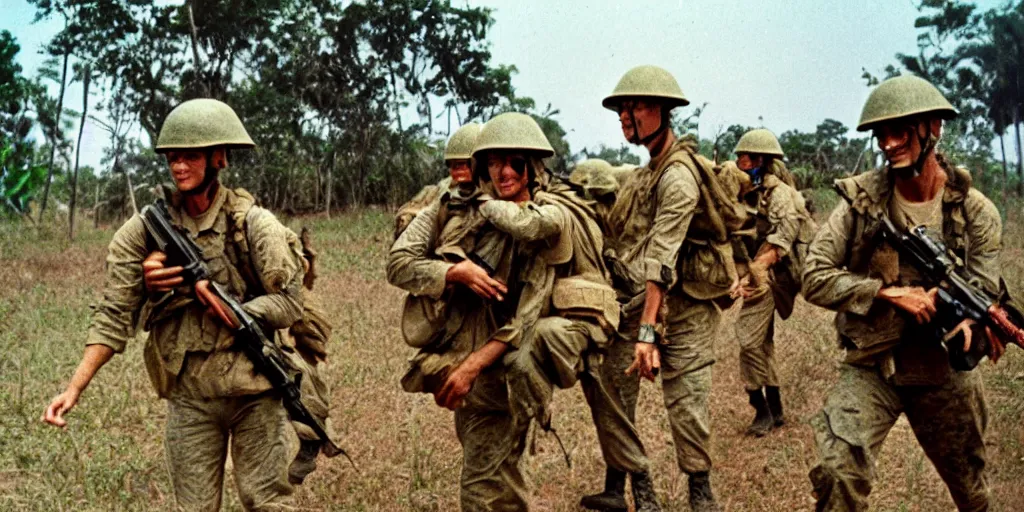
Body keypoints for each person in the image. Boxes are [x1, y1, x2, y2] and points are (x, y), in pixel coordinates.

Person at [42, 98, 315, 510]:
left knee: (269, 503)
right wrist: (73, 388)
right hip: (191, 397)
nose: (179, 166)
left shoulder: (254, 223)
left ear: (217, 158)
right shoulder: (145, 231)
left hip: (256, 391)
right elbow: (115, 314)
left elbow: (290, 304)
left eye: (190, 156)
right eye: (172, 157)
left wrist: (233, 309)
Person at [803, 75, 1007, 511]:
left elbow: (985, 290)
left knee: (972, 493)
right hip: (874, 364)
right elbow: (814, 275)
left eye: (900, 131)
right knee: (838, 473)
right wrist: (887, 294)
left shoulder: (976, 213)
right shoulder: (862, 201)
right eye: (882, 134)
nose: (888, 143)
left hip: (942, 372)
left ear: (932, 128)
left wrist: (973, 323)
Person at [472, 122, 661, 512]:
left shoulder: (553, 208)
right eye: (493, 164)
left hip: (589, 320)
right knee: (527, 364)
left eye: (514, 163)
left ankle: (645, 495)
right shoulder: (519, 207)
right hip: (562, 320)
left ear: (534, 168)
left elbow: (532, 225)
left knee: (610, 407)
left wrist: (485, 204)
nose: (503, 172)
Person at [598, 65, 743, 512]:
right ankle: (633, 490)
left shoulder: (679, 175)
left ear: (662, 111)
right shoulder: (647, 171)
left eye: (636, 107)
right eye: (623, 108)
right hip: (647, 298)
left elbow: (662, 256)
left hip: (688, 304)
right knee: (614, 387)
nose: (626, 116)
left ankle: (701, 494)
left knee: (686, 405)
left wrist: (646, 332)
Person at [725, 128, 816, 437]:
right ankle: (775, 410)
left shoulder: (780, 196)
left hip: (774, 276)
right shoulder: (759, 192)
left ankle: (760, 409)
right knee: (762, 342)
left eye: (743, 157)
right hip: (767, 273)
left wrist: (749, 277)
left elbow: (779, 245)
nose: (738, 162)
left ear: (759, 160)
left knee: (748, 338)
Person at [393, 122, 481, 239]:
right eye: (452, 165)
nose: (457, 171)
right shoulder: (441, 189)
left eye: (462, 164)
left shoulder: (495, 190)